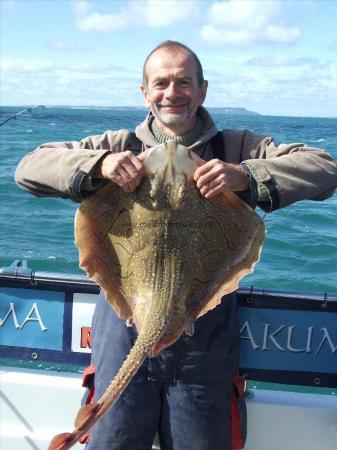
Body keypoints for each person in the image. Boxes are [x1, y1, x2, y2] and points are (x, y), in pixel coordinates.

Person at [15, 41, 337, 450]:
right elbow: (29, 168)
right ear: (145, 92)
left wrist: (243, 175)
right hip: (125, 319)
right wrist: (99, 166)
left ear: (202, 90)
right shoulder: (117, 145)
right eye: (161, 83)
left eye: (184, 82)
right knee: (114, 440)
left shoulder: (236, 147)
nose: (172, 92)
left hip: (201, 330)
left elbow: (325, 168)